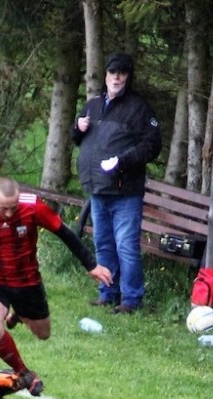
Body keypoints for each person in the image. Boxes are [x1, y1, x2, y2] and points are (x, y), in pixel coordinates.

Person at [0, 177, 112, 391]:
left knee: (43, 334)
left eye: (13, 207)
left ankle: (17, 314)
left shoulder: (32, 207)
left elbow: (64, 233)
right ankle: (24, 373)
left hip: (28, 282)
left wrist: (91, 265)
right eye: (4, 208)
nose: (9, 213)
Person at [71, 53, 162, 314]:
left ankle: (131, 298)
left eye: (122, 73)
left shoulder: (139, 108)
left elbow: (152, 145)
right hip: (98, 188)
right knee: (103, 243)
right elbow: (77, 139)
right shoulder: (93, 105)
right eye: (113, 72)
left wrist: (122, 161)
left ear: (128, 77)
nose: (117, 77)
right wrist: (77, 128)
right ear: (106, 76)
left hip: (125, 191)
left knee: (126, 246)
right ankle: (108, 292)